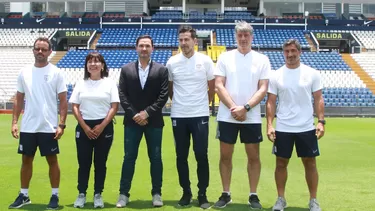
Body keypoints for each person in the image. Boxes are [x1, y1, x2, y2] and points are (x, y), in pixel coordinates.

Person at [214, 21, 271, 209]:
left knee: (253, 156)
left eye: (247, 35)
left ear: (252, 37)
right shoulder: (225, 57)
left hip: (251, 117)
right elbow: (219, 85)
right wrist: (234, 108)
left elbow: (263, 88)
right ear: (235, 37)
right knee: (225, 156)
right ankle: (226, 193)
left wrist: (245, 108)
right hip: (227, 115)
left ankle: (253, 195)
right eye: (240, 35)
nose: (243, 38)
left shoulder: (262, 59)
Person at [266, 39, 325, 211]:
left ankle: (313, 200)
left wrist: (321, 121)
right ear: (283, 53)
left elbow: (318, 98)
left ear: (300, 52)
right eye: (287, 51)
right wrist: (270, 125)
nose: (290, 55)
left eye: (293, 51)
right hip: (283, 127)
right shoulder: (276, 75)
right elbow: (270, 102)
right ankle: (280, 199)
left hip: (306, 127)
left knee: (310, 163)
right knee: (280, 163)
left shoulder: (312, 73)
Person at [9, 37, 67, 210]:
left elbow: (63, 101)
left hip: (48, 126)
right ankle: (24, 195)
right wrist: (14, 122)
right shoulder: (24, 72)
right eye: (37, 49)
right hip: (28, 127)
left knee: (52, 160)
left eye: (44, 49)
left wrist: (61, 124)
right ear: (33, 50)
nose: (40, 52)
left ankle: (54, 196)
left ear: (50, 51)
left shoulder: (56, 72)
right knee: (26, 160)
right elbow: (19, 100)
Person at [116, 35, 169, 208]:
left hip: (154, 122)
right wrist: (135, 115)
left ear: (152, 48)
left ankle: (156, 193)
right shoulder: (126, 69)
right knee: (129, 158)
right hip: (132, 123)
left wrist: (146, 113)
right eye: (141, 46)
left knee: (155, 158)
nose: (144, 48)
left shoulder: (161, 70)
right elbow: (122, 95)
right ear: (136, 48)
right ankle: (123, 194)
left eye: (147, 46)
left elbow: (163, 97)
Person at [167, 25, 215, 210]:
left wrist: (202, 105)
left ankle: (202, 193)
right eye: (180, 40)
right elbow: (171, 90)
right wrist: (181, 104)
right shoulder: (172, 62)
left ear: (195, 41)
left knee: (201, 155)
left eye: (187, 39)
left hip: (200, 115)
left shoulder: (205, 61)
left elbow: (211, 88)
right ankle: (186, 192)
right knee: (181, 156)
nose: (183, 43)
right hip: (179, 115)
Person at [69, 52, 119, 208]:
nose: (93, 64)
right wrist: (84, 126)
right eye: (90, 61)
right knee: (83, 163)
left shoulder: (109, 83)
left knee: (100, 163)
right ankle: (81, 194)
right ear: (86, 66)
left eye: (97, 61)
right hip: (84, 127)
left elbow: (114, 106)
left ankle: (98, 194)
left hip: (104, 127)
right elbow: (75, 106)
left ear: (102, 65)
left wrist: (102, 125)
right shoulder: (81, 83)